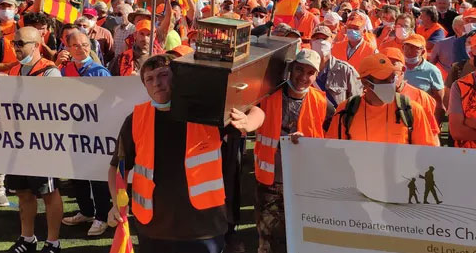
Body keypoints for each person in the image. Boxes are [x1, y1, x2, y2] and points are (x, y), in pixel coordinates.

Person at [107, 54, 264, 253]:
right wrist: (116, 203)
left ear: (177, 77)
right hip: (153, 229)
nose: (157, 83)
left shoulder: (206, 112)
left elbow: (257, 111)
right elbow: (118, 167)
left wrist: (248, 123)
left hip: (204, 228)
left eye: (163, 75)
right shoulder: (135, 119)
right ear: (145, 86)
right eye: (150, 79)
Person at [0, 26, 64, 253]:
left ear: (36, 45)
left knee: (49, 192)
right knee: (23, 192)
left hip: (42, 143)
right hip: (18, 141)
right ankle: (27, 238)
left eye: (20, 44)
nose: (15, 48)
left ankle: (53, 242)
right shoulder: (15, 70)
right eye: (14, 43)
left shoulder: (50, 72)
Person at [254, 49, 333, 253]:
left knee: (300, 237)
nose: (303, 77)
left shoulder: (323, 103)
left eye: (310, 73)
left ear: (316, 75)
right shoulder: (267, 96)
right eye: (299, 69)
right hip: (271, 182)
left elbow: (331, 142)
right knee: (268, 242)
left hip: (303, 182)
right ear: (290, 69)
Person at [58, 31, 113, 237]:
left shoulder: (100, 72)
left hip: (95, 133)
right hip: (72, 131)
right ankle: (86, 211)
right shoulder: (64, 70)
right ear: (68, 48)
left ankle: (101, 216)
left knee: (97, 177)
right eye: (76, 46)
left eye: (85, 45)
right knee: (77, 174)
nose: (81, 49)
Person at [327, 53, 438, 145]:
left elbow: (425, 154)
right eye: (383, 79)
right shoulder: (345, 110)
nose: (390, 84)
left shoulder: (413, 110)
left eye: (392, 78)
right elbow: (334, 151)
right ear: (365, 83)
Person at [309, 25, 362, 107]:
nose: (320, 42)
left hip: (334, 118)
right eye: (317, 38)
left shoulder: (346, 70)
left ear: (332, 43)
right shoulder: (303, 69)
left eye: (324, 39)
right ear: (310, 43)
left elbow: (356, 103)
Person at [401, 34, 446, 115]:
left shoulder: (432, 71)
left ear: (423, 51)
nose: (409, 50)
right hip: (399, 117)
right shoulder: (397, 68)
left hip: (423, 117)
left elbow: (439, 103)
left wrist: (434, 124)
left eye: (414, 47)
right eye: (407, 46)